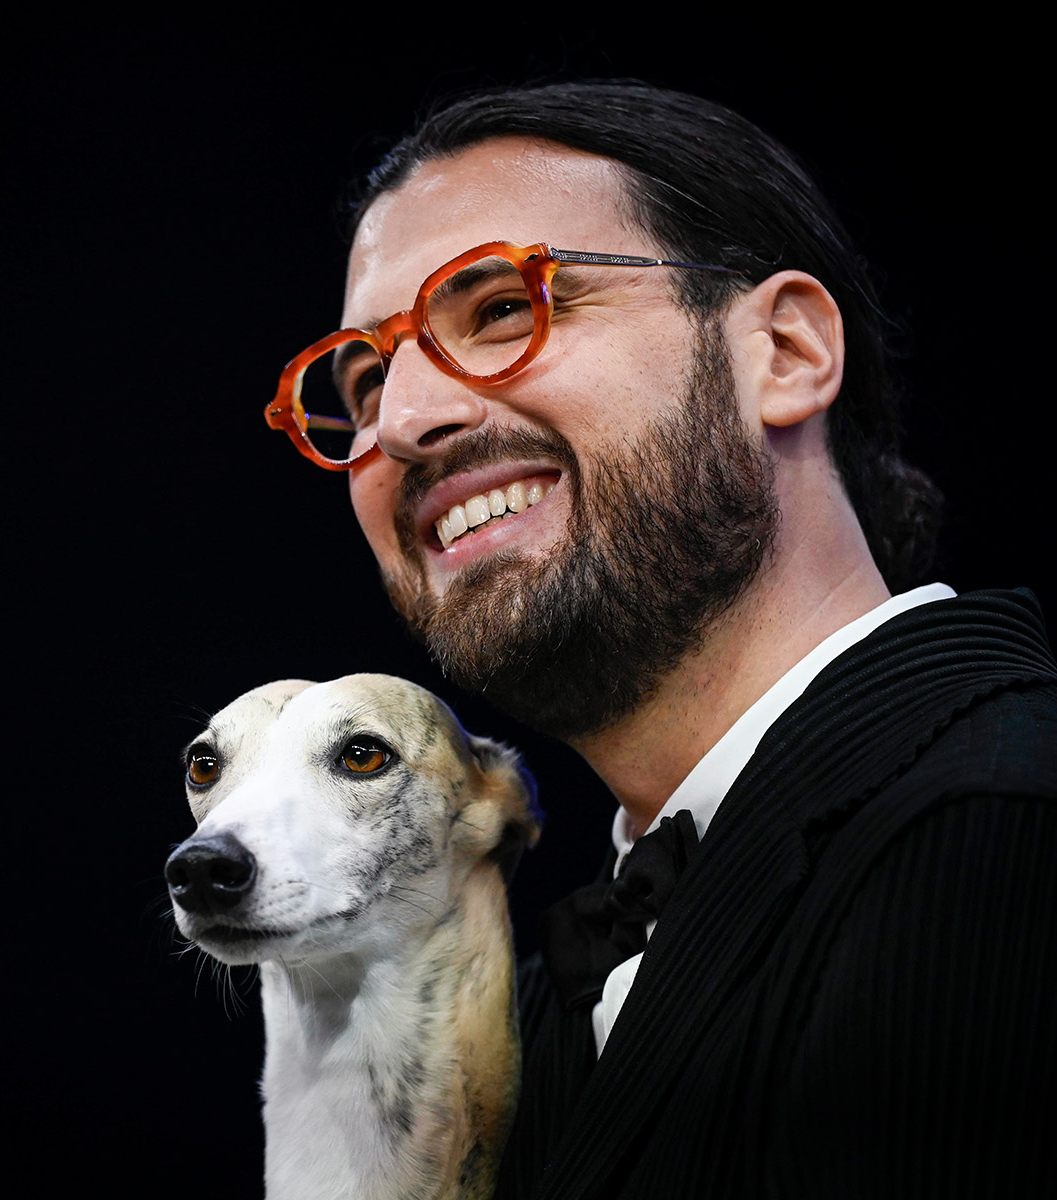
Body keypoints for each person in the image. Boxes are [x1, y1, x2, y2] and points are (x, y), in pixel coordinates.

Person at [263, 82, 1057, 1198]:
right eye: (366, 377)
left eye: (499, 309)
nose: (401, 422)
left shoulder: (1003, 826)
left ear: (783, 352)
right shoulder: (538, 1011)